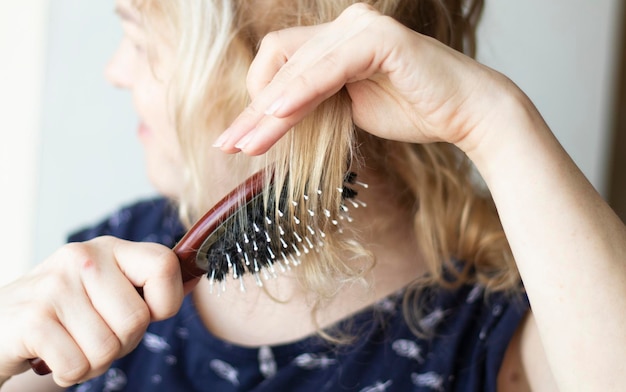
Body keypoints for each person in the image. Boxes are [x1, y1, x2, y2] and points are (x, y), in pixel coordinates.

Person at [1, 0, 625, 390]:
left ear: (250, 69)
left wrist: (493, 118)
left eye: (139, 38)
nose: (115, 70)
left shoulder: (504, 328)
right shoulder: (103, 278)